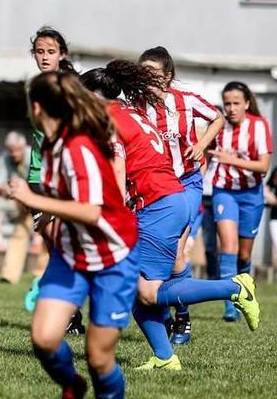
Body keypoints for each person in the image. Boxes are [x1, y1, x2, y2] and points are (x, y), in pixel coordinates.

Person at [81, 62, 258, 372]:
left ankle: (234, 287)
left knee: (148, 292)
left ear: (96, 96)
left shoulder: (108, 119)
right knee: (138, 290)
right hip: (167, 199)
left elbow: (119, 165)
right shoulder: (131, 112)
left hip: (159, 205)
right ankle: (164, 357)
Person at [8, 71, 138, 399]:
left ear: (36, 107)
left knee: (99, 358)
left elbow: (91, 210)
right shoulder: (49, 145)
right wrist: (46, 215)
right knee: (44, 338)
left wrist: (34, 199)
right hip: (72, 255)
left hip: (113, 258)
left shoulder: (78, 146)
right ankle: (72, 385)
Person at [138, 46, 225, 343]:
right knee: (159, 258)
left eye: (153, 74)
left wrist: (201, 145)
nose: (146, 79)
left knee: (176, 252)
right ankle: (166, 313)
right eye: (142, 73)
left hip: (186, 183)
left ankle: (183, 317)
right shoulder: (136, 105)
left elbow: (218, 118)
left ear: (168, 76)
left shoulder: (185, 101)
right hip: (154, 188)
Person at [25, 26, 85, 334]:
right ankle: (71, 312)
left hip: (63, 178)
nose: (44, 57)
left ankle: (69, 311)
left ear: (62, 54)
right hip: (38, 177)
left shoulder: (70, 87)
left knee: (64, 245)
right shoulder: (35, 85)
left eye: (50, 52)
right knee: (54, 244)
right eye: (39, 51)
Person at [210, 81, 272, 321]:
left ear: (247, 103)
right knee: (228, 246)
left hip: (251, 194)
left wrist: (230, 159)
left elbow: (264, 166)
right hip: (223, 191)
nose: (231, 108)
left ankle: (244, 289)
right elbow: (204, 152)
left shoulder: (259, 126)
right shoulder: (218, 125)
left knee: (244, 256)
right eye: (227, 103)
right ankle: (230, 307)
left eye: (236, 103)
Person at [0, 131, 48, 298]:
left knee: (49, 237)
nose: (13, 154)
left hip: (42, 198)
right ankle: (9, 275)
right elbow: (0, 185)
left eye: (17, 150)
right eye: (11, 150)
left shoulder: (32, 154)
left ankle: (42, 273)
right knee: (19, 234)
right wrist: (11, 191)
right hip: (21, 203)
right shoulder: (4, 159)